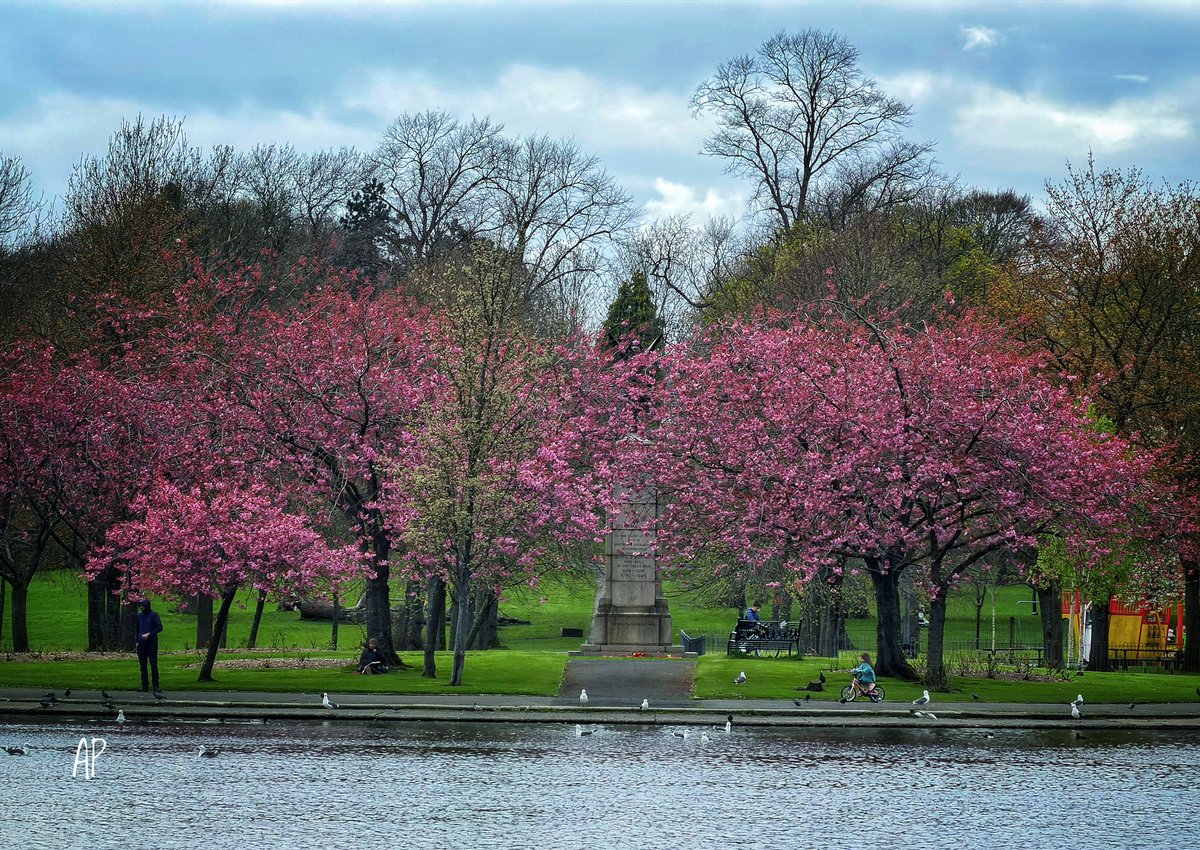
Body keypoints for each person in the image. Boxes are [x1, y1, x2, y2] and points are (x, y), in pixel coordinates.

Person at [134, 598, 164, 693]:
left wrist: (149, 634)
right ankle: (144, 685)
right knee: (143, 666)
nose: (141, 608)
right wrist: (137, 641)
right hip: (141, 643)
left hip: (151, 643)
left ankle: (156, 686)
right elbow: (137, 629)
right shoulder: (139, 616)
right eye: (140, 606)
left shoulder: (153, 615)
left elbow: (159, 627)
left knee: (153, 664)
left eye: (143, 606)